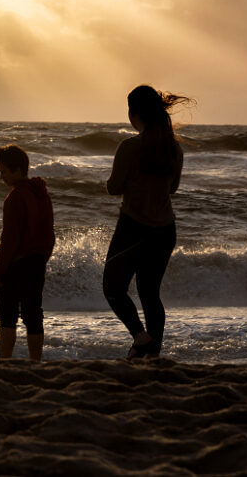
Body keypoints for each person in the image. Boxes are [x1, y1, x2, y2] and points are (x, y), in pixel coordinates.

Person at [103, 85, 191, 360]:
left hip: (133, 228)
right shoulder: (174, 148)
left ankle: (141, 338)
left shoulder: (129, 147)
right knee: (150, 294)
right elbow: (173, 188)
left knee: (113, 288)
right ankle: (152, 353)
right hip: (165, 230)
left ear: (134, 113)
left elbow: (114, 187)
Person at [0, 144, 55, 361]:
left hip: (17, 264)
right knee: (33, 314)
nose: (1, 177)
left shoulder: (15, 198)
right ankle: (35, 361)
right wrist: (42, 257)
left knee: (7, 315)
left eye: (4, 172)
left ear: (17, 170)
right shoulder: (42, 195)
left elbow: (10, 240)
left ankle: (5, 361)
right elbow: (50, 234)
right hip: (37, 262)